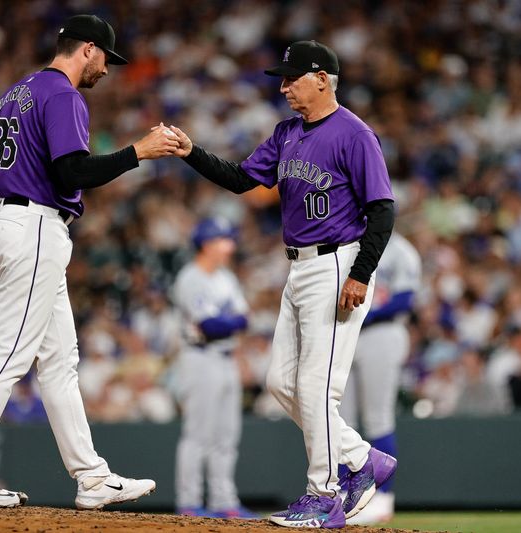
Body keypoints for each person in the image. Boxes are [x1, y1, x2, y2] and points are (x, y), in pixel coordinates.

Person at [0, 14, 178, 509]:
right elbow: (71, 172)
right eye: (105, 57)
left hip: (7, 224)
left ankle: (91, 477)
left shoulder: (18, 94)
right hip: (35, 227)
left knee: (60, 360)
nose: (106, 69)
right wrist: (138, 152)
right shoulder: (64, 95)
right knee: (10, 356)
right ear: (86, 49)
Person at [169, 40, 397, 528]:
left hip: (340, 263)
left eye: (292, 77)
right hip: (299, 266)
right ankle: (361, 458)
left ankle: (325, 494)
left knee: (316, 387)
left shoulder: (355, 134)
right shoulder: (287, 132)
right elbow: (239, 180)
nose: (284, 85)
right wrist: (191, 152)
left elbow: (382, 210)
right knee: (280, 383)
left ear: (321, 78)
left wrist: (360, 274)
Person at [172, 217, 257, 519]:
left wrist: (229, 323)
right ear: (207, 243)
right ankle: (189, 502)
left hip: (226, 358)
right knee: (198, 435)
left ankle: (224, 500)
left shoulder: (226, 278)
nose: (230, 246)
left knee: (226, 436)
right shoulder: (190, 277)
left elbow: (243, 319)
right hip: (199, 358)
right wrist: (229, 322)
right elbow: (210, 326)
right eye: (224, 239)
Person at [339, 232, 421, 525]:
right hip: (347, 331)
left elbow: (404, 299)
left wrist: (368, 315)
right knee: (339, 420)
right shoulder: (346, 245)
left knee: (378, 418)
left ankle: (383, 498)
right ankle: (340, 494)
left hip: (382, 334)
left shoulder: (401, 250)